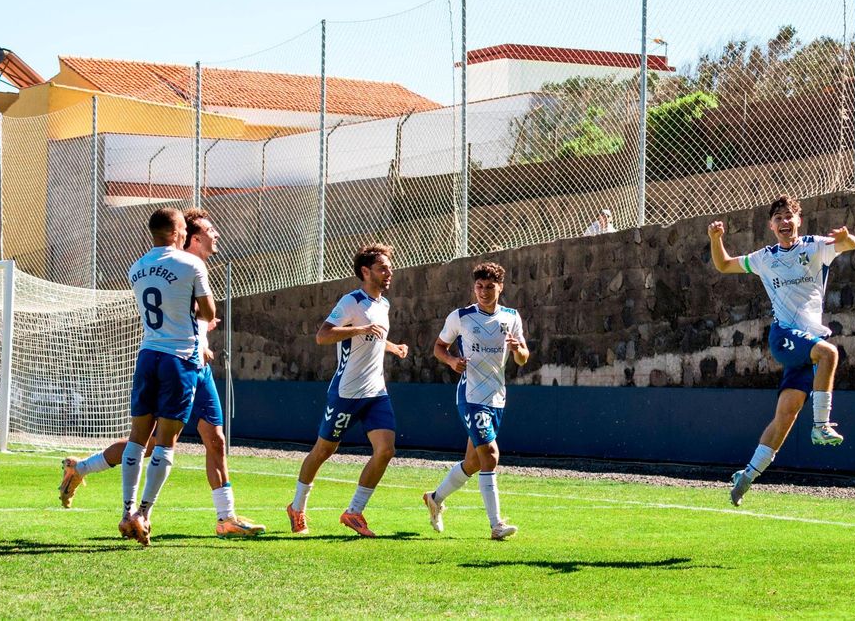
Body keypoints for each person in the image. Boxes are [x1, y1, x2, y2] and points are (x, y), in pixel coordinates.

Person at [58, 209, 264, 538]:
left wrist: (202, 340)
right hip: (181, 361)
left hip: (186, 363)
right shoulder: (188, 268)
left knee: (214, 440)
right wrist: (200, 337)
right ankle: (94, 478)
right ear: (187, 235)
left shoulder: (147, 268)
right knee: (157, 442)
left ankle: (225, 517)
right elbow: (198, 314)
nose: (216, 236)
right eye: (210, 230)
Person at [707, 195, 855, 507]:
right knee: (829, 354)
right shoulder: (764, 258)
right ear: (771, 226)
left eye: (789, 216)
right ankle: (820, 427)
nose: (784, 222)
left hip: (806, 342)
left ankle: (746, 476)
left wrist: (847, 239)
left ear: (798, 221)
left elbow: (850, 245)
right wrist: (715, 239)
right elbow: (723, 264)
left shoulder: (815, 246)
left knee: (786, 416)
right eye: (778, 218)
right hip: (785, 336)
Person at [286, 243, 409, 537]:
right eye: (382, 268)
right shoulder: (351, 301)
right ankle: (297, 507)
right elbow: (322, 336)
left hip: (375, 393)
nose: (389, 272)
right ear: (366, 272)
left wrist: (393, 347)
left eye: (389, 267)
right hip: (346, 393)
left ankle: (354, 512)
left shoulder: (384, 304)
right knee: (324, 450)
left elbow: (375, 337)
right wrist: (357, 329)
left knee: (386, 450)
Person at [116, 207, 216, 545]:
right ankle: (144, 512)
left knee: (137, 437)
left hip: (148, 354)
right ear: (178, 233)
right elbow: (209, 312)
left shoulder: (137, 267)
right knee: (166, 441)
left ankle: (127, 510)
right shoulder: (191, 264)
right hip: (179, 357)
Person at [423, 262, 529, 540]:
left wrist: (519, 350)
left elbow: (523, 357)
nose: (483, 292)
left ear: (500, 288)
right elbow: (439, 347)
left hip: (497, 396)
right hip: (470, 396)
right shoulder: (461, 316)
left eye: (490, 287)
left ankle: (435, 498)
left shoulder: (511, 317)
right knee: (491, 454)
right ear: (474, 288)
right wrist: (451, 361)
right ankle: (496, 525)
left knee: (472, 462)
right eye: (479, 287)